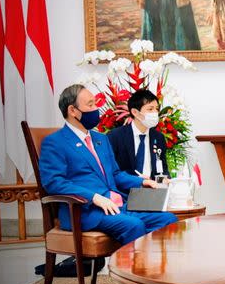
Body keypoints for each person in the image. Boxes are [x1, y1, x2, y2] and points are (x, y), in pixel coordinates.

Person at [39, 85, 176, 247]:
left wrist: (141, 182)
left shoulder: (101, 139)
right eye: (90, 105)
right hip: (85, 211)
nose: (96, 109)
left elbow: (115, 174)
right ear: (72, 110)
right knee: (134, 225)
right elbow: (54, 183)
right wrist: (94, 197)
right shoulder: (55, 142)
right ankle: (131, 271)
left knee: (169, 219)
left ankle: (153, 269)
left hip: (116, 206)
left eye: (95, 104)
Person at [107, 89, 168, 180]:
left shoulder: (158, 137)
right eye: (150, 109)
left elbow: (162, 168)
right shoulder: (115, 136)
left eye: (157, 109)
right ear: (135, 112)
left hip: (152, 189)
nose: (155, 113)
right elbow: (111, 170)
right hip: (125, 191)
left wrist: (164, 180)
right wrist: (138, 181)